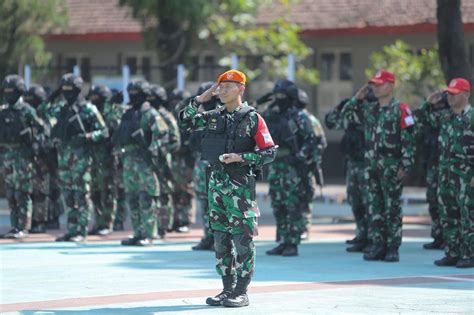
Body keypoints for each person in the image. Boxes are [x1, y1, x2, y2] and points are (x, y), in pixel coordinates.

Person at [179, 70, 276, 307]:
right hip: (216, 187)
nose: (222, 91)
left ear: (241, 89)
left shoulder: (252, 118)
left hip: (240, 189)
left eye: (228, 87)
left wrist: (240, 158)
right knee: (221, 239)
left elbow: (270, 152)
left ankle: (241, 291)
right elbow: (186, 122)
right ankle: (226, 288)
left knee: (242, 240)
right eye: (220, 87)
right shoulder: (213, 116)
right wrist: (200, 99)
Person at [340, 70, 416, 262]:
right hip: (371, 166)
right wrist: (357, 98)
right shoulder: (370, 109)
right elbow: (346, 114)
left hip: (391, 167)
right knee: (374, 207)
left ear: (390, 86)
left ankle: (392, 247)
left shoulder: (401, 109)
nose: (375, 87)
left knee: (392, 208)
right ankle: (378, 244)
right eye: (373, 84)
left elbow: (409, 140)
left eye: (379, 84)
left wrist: (405, 165)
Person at [418, 78, 473, 268]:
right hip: (446, 175)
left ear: (466, 94)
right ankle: (452, 252)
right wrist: (429, 103)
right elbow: (422, 118)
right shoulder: (446, 116)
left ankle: (469, 253)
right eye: (448, 93)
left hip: (466, 177)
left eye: (454, 93)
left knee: (468, 216)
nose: (449, 96)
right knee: (448, 215)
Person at [263, 79, 317, 256]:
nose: (279, 99)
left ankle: (292, 243)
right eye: (276, 95)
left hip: (292, 168)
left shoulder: (300, 117)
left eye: (282, 95)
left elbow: (311, 140)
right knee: (278, 204)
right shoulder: (272, 114)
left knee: (292, 204)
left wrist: (299, 158)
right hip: (276, 166)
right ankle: (283, 240)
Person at [53, 74, 109, 242]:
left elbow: (104, 132)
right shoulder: (61, 109)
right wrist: (54, 96)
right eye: (64, 90)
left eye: (69, 90)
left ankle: (81, 230)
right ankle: (71, 229)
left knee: (81, 195)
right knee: (68, 195)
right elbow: (43, 110)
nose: (66, 94)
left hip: (81, 159)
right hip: (63, 158)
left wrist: (88, 137)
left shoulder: (89, 109)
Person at [113, 80, 169, 246]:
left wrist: (152, 147)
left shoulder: (151, 113)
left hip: (145, 162)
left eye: (136, 93)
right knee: (132, 198)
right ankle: (138, 232)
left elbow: (164, 134)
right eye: (131, 93)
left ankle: (149, 234)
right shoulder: (128, 113)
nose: (132, 96)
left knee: (146, 198)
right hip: (129, 161)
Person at [0, 75, 46, 239]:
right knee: (11, 194)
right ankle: (14, 226)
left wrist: (33, 141)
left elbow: (42, 129)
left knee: (23, 193)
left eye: (10, 91)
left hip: (23, 157)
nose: (7, 94)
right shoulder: (3, 111)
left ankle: (24, 228)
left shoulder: (27, 111)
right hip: (6, 157)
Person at [325, 98, 369, 252]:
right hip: (353, 165)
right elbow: (330, 121)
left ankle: (372, 238)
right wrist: (344, 104)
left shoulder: (373, 115)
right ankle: (362, 234)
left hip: (368, 166)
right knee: (355, 201)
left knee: (369, 202)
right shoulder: (350, 117)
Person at [88, 85, 124, 236]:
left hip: (109, 157)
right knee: (95, 193)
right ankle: (99, 222)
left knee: (108, 192)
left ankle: (108, 223)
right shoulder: (90, 111)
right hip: (93, 157)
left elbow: (114, 131)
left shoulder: (113, 111)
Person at [189, 81, 222, 251]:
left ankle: (220, 239)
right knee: (204, 202)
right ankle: (208, 236)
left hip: (219, 165)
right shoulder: (201, 117)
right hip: (202, 164)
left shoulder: (223, 114)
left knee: (220, 204)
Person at [148, 84, 181, 238]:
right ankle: (153, 226)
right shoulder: (148, 114)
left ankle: (164, 226)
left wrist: (161, 150)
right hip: (149, 160)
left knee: (164, 193)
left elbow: (175, 141)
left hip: (163, 161)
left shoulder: (165, 116)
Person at [296, 88, 327, 240]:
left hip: (307, 166)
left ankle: (304, 227)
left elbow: (320, 142)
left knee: (305, 197)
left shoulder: (310, 120)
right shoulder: (294, 118)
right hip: (295, 165)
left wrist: (310, 161)